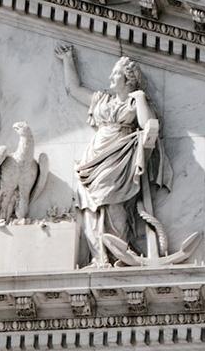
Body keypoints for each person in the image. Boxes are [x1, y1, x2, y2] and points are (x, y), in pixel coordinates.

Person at [55, 45, 172, 266]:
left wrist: (140, 99)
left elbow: (149, 126)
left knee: (114, 201)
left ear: (128, 78)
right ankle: (99, 256)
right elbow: (74, 88)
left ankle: (120, 251)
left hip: (119, 160)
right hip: (94, 158)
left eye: (116, 73)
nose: (111, 76)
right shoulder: (102, 100)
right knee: (91, 206)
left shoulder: (133, 102)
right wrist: (67, 59)